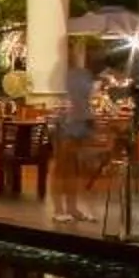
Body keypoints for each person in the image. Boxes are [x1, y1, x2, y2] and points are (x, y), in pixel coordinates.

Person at [51, 45, 97, 223]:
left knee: (74, 168)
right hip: (66, 124)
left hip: (81, 122)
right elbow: (61, 101)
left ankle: (72, 206)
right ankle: (58, 209)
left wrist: (90, 124)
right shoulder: (59, 74)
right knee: (61, 167)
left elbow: (86, 100)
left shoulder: (83, 74)